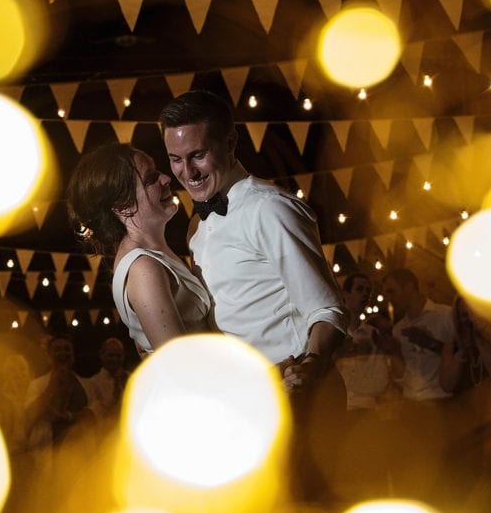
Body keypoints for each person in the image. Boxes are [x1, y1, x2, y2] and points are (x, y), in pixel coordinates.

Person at [159, 90, 347, 391]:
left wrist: (311, 365)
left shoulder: (269, 209)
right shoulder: (197, 226)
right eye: (175, 159)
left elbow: (327, 310)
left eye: (198, 155)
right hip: (246, 394)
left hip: (296, 388)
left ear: (231, 143)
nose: (188, 172)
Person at [66, 141, 213, 355]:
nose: (166, 179)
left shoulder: (152, 255)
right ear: (122, 205)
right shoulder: (143, 268)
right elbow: (180, 364)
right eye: (150, 179)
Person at [378, 268, 455, 402]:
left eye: (391, 292)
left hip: (442, 401)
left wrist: (430, 343)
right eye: (386, 294)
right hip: (411, 404)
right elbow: (403, 376)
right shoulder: (398, 329)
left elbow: (461, 356)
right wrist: (393, 353)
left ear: (409, 287)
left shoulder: (446, 315)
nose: (389, 299)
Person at [333, 273, 391, 411]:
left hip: (365, 408)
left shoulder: (372, 334)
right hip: (335, 406)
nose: (365, 294)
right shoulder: (333, 332)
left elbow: (381, 382)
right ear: (345, 294)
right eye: (359, 289)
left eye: (368, 291)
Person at [82, 337, 130, 421]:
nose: (115, 359)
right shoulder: (93, 383)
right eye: (110, 355)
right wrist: (115, 395)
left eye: (118, 356)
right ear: (101, 355)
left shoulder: (131, 379)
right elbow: (95, 413)